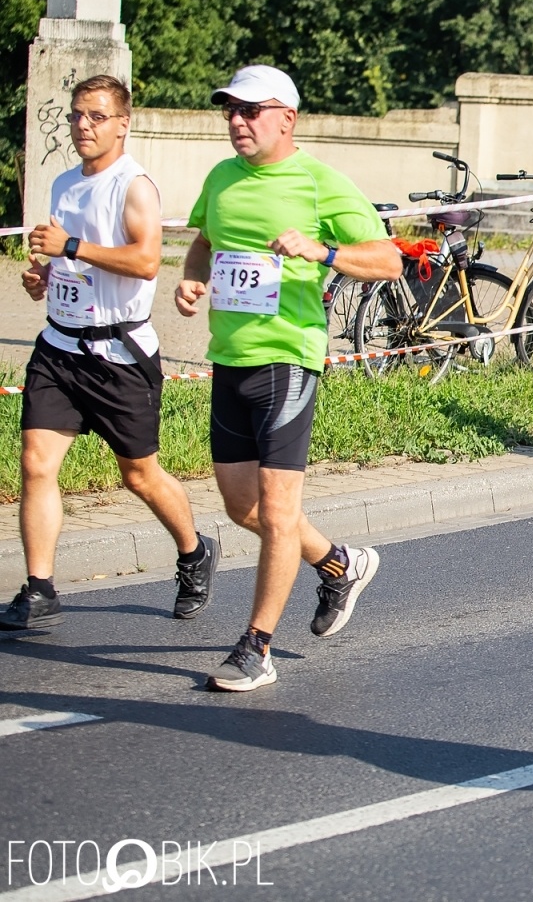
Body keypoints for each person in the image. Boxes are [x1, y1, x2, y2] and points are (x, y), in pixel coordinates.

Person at [176, 65, 400, 691]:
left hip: (289, 358)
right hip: (230, 359)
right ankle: (339, 564)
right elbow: (205, 242)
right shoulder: (221, 178)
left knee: (278, 510)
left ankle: (257, 647)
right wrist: (192, 280)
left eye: (250, 111)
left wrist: (322, 251)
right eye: (230, 111)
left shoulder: (321, 182)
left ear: (287, 119)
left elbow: (387, 260)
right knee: (241, 506)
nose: (237, 121)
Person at [1, 76, 218, 632]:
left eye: (96, 116)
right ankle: (40, 589)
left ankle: (194, 552)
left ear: (123, 123)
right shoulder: (63, 184)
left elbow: (146, 262)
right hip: (59, 346)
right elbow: (65, 261)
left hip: (118, 353)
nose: (83, 125)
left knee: (139, 475)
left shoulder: (133, 186)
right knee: (36, 464)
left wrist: (71, 247)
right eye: (76, 115)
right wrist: (44, 277)